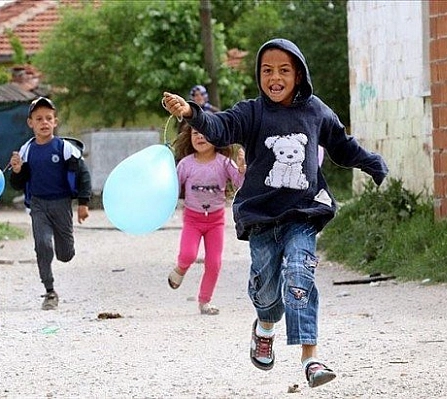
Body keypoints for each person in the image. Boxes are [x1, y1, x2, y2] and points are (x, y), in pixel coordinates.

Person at [162, 38, 388, 388]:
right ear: (259, 75)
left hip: (303, 213)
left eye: (284, 70)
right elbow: (220, 126)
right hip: (262, 218)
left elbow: (342, 147)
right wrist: (193, 113)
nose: (275, 77)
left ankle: (310, 359)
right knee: (268, 291)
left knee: (301, 277)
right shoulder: (252, 113)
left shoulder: (316, 112)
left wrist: (371, 163)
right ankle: (264, 327)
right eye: (267, 70)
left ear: (298, 74)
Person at [9, 97, 92, 310]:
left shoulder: (64, 148)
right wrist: (17, 171)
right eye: (39, 119)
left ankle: (62, 246)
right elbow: (18, 184)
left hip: (61, 204)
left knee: (65, 255)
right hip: (38, 205)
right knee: (43, 245)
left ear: (55, 122)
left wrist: (83, 203)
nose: (44, 122)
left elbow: (83, 175)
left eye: (48, 118)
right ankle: (49, 291)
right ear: (31, 123)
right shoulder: (26, 151)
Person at [167, 120, 246, 315]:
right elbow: (173, 189)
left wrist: (242, 169)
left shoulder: (225, 162)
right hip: (192, 219)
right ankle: (180, 269)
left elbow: (239, 183)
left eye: (205, 133)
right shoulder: (185, 164)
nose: (200, 137)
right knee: (188, 254)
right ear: (189, 138)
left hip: (216, 220)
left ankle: (204, 301)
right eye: (195, 134)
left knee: (214, 263)